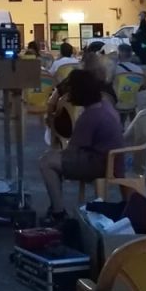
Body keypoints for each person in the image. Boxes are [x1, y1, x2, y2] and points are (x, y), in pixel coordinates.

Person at [38, 71, 123, 225]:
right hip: (111, 159)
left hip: (99, 163)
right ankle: (57, 208)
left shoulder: (90, 116)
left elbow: (72, 150)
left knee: (46, 162)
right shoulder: (104, 104)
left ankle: (58, 212)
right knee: (52, 158)